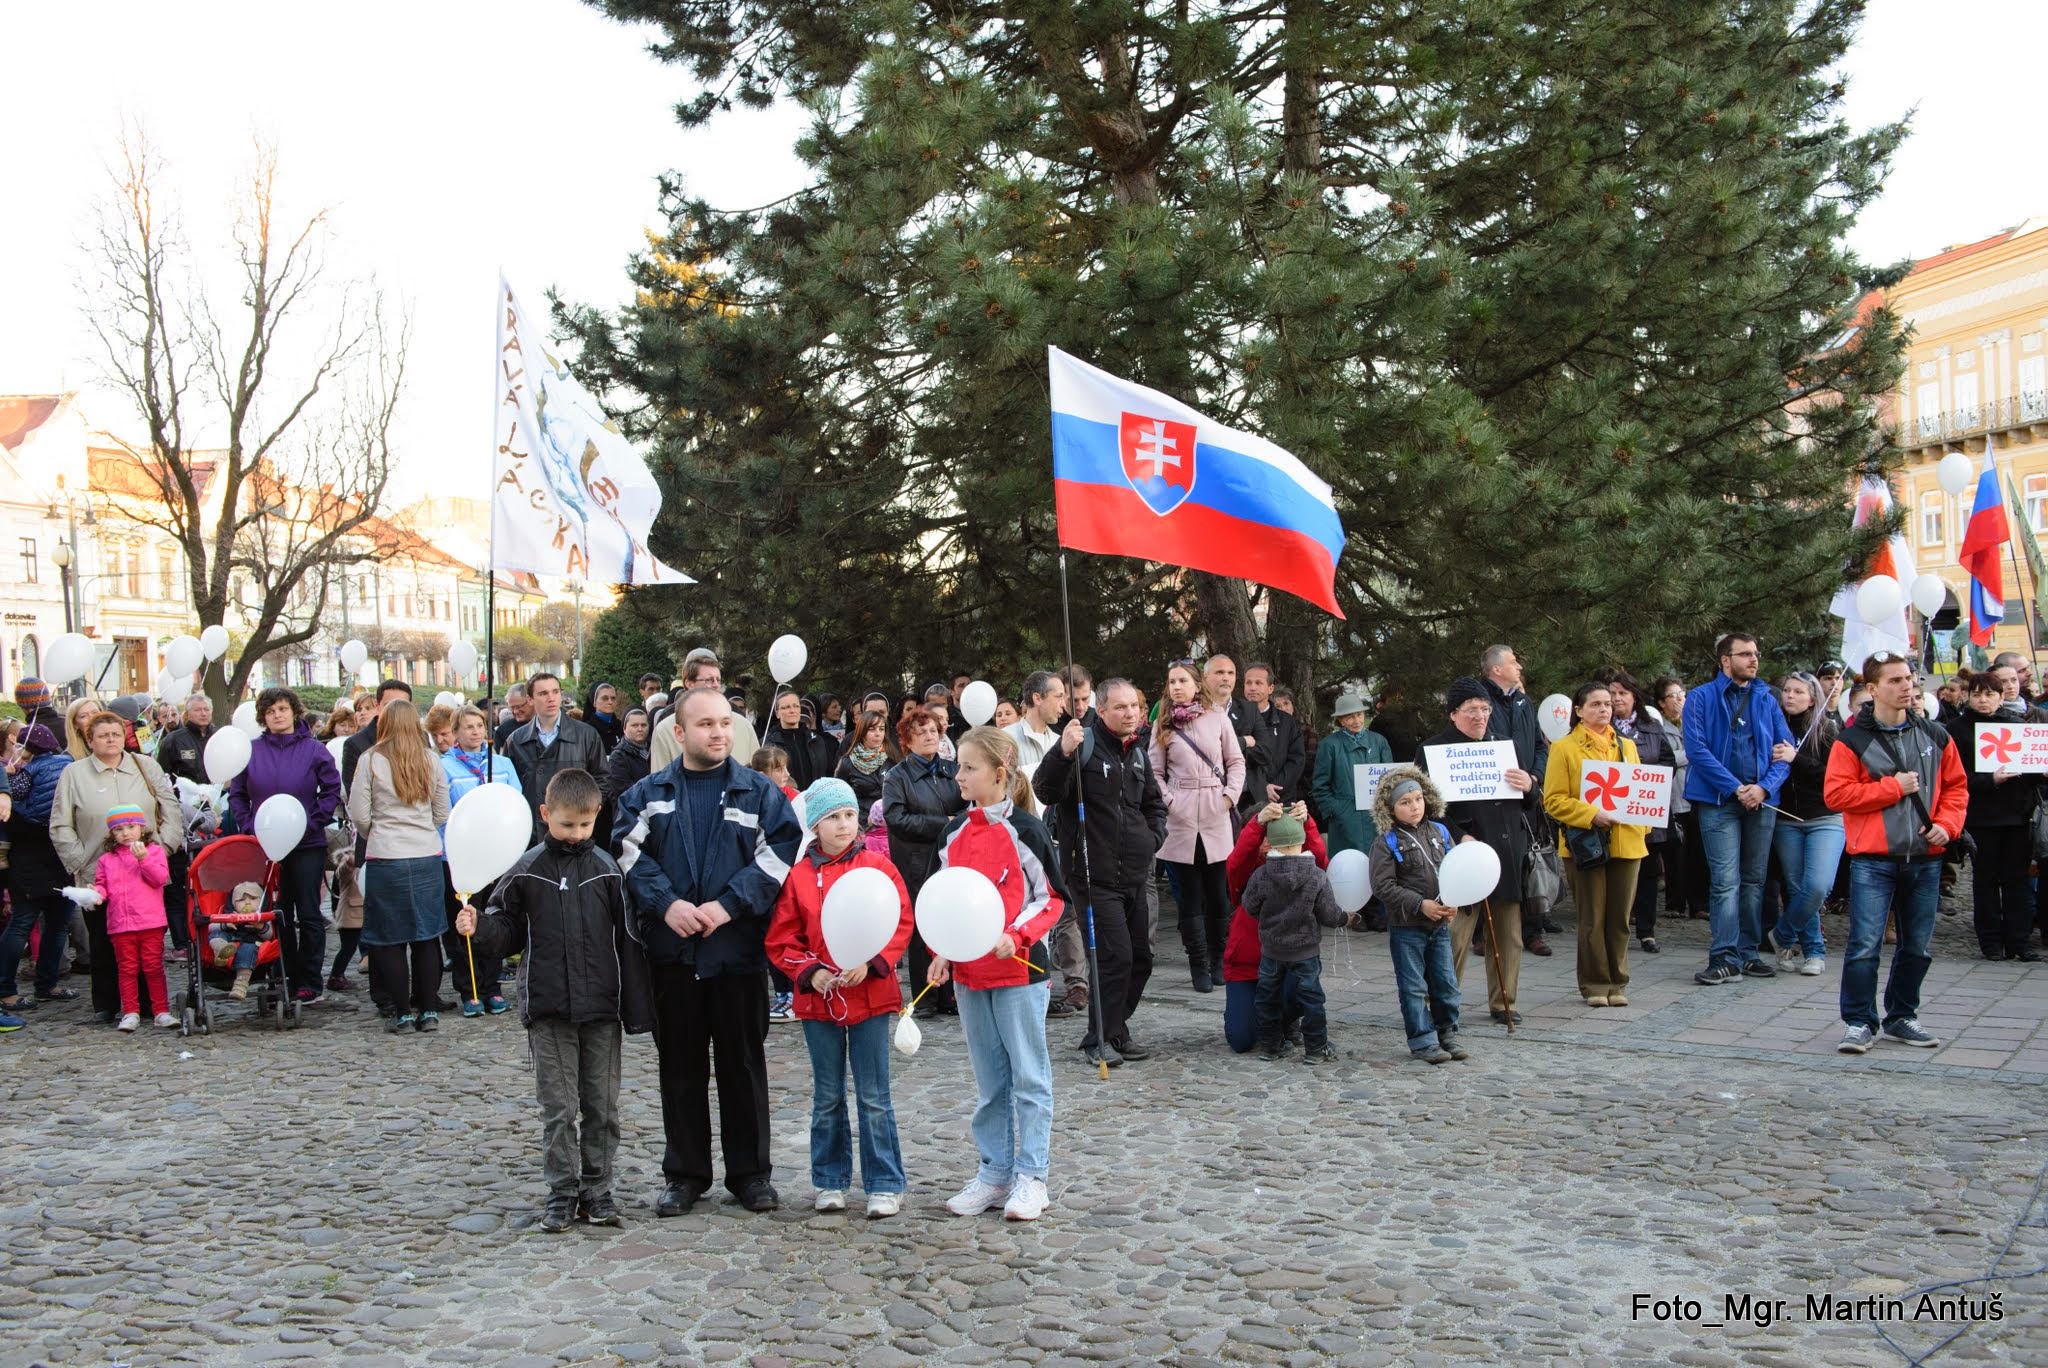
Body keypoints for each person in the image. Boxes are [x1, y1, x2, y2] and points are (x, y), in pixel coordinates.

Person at [617, 686, 802, 1217]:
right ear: (679, 733)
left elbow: (780, 854)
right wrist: (667, 904)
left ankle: (751, 1175)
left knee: (743, 1067)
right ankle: (685, 1175)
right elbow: (626, 852)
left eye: (724, 723)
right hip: (673, 957)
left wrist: (728, 906)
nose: (719, 732)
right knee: (680, 1070)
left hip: (737, 954)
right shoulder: (646, 793)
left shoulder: (759, 793)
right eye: (705, 724)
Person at [457, 767, 649, 1232]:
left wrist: (636, 1008)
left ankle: (598, 1188)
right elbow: (506, 930)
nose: (576, 834)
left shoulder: (607, 870)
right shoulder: (526, 870)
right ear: (545, 814)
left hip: (601, 1008)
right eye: (566, 825)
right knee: (558, 1108)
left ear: (596, 816)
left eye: (584, 824)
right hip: (548, 1006)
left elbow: (627, 941)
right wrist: (479, 926)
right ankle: (562, 1191)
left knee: (602, 1106)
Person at [926, 726, 1066, 1222]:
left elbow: (1052, 898)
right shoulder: (952, 834)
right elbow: (940, 901)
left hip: (1019, 974)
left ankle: (1032, 1177)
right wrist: (941, 951)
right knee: (990, 1085)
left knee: (1029, 1077)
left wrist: (1018, 935)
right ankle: (995, 1172)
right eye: (958, 767)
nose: (959, 776)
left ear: (999, 773)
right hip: (970, 977)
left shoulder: (1026, 830)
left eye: (969, 767)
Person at [765, 776, 915, 1218]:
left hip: (871, 995)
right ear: (815, 825)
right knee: (827, 1094)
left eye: (850, 814)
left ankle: (884, 1182)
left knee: (874, 1094)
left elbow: (901, 920)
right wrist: (809, 972)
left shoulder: (878, 868)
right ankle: (829, 1179)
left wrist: (873, 962)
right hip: (820, 1000)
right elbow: (782, 939)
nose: (844, 824)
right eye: (832, 817)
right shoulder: (798, 877)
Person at [1826, 651, 1969, 1053]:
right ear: (1872, 689)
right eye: (1895, 680)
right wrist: (1893, 788)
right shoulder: (1850, 741)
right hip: (1873, 859)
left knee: (1917, 947)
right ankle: (1859, 1022)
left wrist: (1947, 826)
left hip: (1925, 857)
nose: (1906, 686)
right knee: (1864, 946)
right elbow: (1836, 795)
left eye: (1909, 678)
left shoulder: (1936, 735)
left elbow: (1956, 788)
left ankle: (1902, 1016)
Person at [1032, 677, 1167, 1066]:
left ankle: (1115, 1029)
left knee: (1141, 957)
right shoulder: (1082, 745)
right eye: (1120, 707)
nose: (1130, 713)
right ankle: (1099, 1039)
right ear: (1101, 710)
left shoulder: (1137, 752)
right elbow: (1045, 791)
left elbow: (1154, 805)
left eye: (1134, 706)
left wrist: (1152, 839)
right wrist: (1062, 753)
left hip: (1134, 873)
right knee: (1115, 956)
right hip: (1093, 875)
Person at [50, 711, 184, 1023]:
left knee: (146, 941)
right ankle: (107, 1004)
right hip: (99, 873)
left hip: (144, 872)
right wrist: (80, 860)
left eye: (116, 734)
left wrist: (163, 848)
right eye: (103, 735)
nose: (111, 740)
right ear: (90, 740)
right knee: (103, 941)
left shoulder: (145, 765)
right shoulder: (74, 774)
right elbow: (60, 824)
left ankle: (150, 1005)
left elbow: (170, 808)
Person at [1683, 632, 1794, 987]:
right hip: (1719, 802)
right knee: (1725, 882)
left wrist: (1764, 788)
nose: (1754, 659)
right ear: (1725, 660)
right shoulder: (1700, 698)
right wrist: (1735, 787)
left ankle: (1748, 953)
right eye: (1745, 654)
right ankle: (1724, 957)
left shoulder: (1767, 699)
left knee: (1754, 881)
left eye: (1756, 653)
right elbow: (1697, 751)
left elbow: (1785, 751)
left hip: (1762, 801)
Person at [1424, 679, 1534, 1026]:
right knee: (1454, 935)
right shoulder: (1433, 750)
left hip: (1504, 852)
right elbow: (1426, 808)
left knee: (1509, 935)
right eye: (1471, 709)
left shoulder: (1504, 746)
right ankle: (1441, 1002)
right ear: (1453, 713)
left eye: (1485, 709)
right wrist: (1459, 835)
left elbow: (1528, 802)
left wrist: (1530, 787)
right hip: (1461, 856)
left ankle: (1504, 1001)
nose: (1480, 716)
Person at [227, 687, 344, 1004]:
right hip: (265, 844)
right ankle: (282, 972)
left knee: (307, 912)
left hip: (306, 843)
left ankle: (309, 980)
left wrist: (313, 821)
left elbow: (331, 789)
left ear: (293, 711)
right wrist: (249, 825)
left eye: (282, 709)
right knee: (277, 912)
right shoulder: (251, 751)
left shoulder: (314, 749)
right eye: (270, 711)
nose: (277, 715)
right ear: (263, 718)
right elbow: (237, 794)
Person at [348, 699, 453, 1033]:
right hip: (425, 854)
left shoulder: (371, 760)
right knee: (427, 936)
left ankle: (403, 1013)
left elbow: (359, 813)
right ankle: (429, 1010)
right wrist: (421, 829)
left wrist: (378, 832)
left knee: (389, 938)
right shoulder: (431, 759)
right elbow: (442, 811)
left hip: (386, 856)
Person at [1544, 682, 1650, 1009]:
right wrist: (1592, 815)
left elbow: (1640, 791)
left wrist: (1643, 823)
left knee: (1619, 918)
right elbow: (1553, 800)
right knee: (1592, 918)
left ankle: (1618, 981)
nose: (1604, 709)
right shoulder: (1564, 748)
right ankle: (1595, 983)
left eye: (1607, 704)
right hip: (1586, 844)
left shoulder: (1626, 746)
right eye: (1595, 704)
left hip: (1626, 841)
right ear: (1579, 711)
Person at [1152, 658, 1245, 991]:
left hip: (1215, 812)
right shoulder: (1162, 722)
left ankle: (1219, 960)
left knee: (1219, 893)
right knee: (1189, 896)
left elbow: (1236, 761)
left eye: (1182, 681)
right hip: (1180, 816)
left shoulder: (1217, 717)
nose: (1176, 687)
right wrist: (1170, 801)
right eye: (1172, 681)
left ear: (1196, 684)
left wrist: (1228, 797)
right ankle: (1198, 964)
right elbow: (1154, 772)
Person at [1366, 771, 1467, 1063]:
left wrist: (1455, 901)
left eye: (1418, 799)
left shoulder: (1440, 832)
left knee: (1446, 983)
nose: (1415, 806)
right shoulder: (1386, 842)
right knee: (1413, 987)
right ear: (1390, 808)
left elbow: (1456, 869)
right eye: (1405, 802)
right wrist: (1419, 904)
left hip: (1439, 925)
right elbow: (1383, 886)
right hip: (1407, 928)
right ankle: (1423, 1041)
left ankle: (1447, 1032)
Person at [1243, 811, 1351, 1064]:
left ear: (1273, 842)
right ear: (1301, 840)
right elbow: (1329, 914)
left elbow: (1249, 906)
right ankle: (1316, 1048)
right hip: (1306, 951)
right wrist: (1346, 918)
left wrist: (1268, 919)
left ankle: (1271, 1046)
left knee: (1267, 998)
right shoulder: (1316, 875)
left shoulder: (1261, 875)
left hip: (1271, 950)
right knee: (1312, 1000)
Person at [882, 704, 968, 1017]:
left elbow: (968, 803)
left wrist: (956, 822)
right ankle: (925, 997)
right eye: (921, 733)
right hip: (916, 861)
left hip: (952, 858)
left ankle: (949, 995)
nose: (930, 736)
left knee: (950, 922)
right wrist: (943, 823)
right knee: (922, 930)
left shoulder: (951, 769)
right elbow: (896, 818)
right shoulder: (897, 776)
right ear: (908, 740)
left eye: (933, 730)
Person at [1220, 802, 1325, 1052]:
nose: (1269, 841)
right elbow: (1236, 863)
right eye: (1264, 834)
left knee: (1303, 985)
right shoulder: (1246, 873)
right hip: (1247, 966)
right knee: (1241, 1040)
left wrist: (1307, 823)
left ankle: (1284, 1020)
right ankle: (1265, 1017)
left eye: (1275, 832)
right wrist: (1257, 825)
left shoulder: (1301, 869)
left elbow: (1320, 862)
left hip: (1287, 962)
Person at [1951, 671, 2041, 961]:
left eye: (1989, 694)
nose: (1983, 700)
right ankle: (1990, 942)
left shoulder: (2017, 726)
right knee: (1985, 881)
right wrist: (1989, 780)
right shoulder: (1956, 730)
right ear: (1968, 696)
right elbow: (1955, 777)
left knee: (2017, 881)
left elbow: (2031, 774)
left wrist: (2041, 771)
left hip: (2017, 817)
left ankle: (2019, 942)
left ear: (2002, 697)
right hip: (1980, 818)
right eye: (1977, 694)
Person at [440, 705, 524, 1015]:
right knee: (464, 922)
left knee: (491, 921)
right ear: (456, 732)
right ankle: (470, 988)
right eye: (468, 727)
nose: (476, 732)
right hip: (461, 857)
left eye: (479, 725)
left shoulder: (501, 764)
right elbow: (443, 813)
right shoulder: (445, 767)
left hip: (496, 856)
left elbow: (514, 802)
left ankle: (492, 986)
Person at [1478, 645, 1554, 955]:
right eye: (1513, 661)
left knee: (1529, 863)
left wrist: (1534, 777)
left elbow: (1539, 745)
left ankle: (1533, 931)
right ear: (1496, 669)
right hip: (1493, 799)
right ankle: (1486, 933)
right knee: (1492, 865)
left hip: (1526, 796)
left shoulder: (1524, 701)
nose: (1519, 666)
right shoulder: (1480, 700)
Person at [1773, 672, 1845, 977]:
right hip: (1786, 818)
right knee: (1797, 888)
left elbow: (1834, 775)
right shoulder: (1774, 726)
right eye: (1787, 690)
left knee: (1817, 886)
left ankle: (1782, 934)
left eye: (1798, 691)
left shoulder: (1827, 729)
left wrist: (1796, 758)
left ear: (1813, 698)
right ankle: (1814, 951)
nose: (1790, 696)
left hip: (1825, 817)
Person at [1, 725, 76, 1016]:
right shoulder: (67, 765)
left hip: (31, 856)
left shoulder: (20, 776)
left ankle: (10, 989)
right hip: (57, 854)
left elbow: (12, 817)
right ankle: (43, 984)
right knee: (54, 924)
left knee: (26, 922)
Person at [1598, 668, 1673, 955]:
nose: (1617, 699)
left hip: (1644, 809)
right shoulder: (1601, 727)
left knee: (1648, 871)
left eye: (1622, 693)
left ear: (1634, 697)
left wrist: (1649, 780)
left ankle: (1646, 930)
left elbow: (1667, 760)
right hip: (1611, 808)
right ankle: (1613, 927)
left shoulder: (1652, 726)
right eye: (1612, 693)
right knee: (1613, 870)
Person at [1308, 691, 1393, 925]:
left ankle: (1379, 914)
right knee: (1351, 865)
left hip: (1376, 815)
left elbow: (1391, 778)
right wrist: (1338, 811)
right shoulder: (1330, 745)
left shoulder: (1378, 741)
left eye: (1359, 715)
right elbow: (1320, 786)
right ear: (1340, 720)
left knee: (1379, 861)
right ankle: (1354, 915)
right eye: (1349, 717)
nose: (1355, 720)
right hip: (1347, 816)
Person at [93, 805, 177, 1032]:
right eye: (119, 829)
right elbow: (102, 885)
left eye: (130, 827)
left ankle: (161, 1010)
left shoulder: (154, 851)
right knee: (127, 969)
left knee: (153, 967)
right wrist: (96, 894)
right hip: (121, 924)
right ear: (112, 833)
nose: (126, 833)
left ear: (141, 828)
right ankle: (130, 1011)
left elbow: (160, 878)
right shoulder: (106, 859)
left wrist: (143, 859)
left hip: (150, 922)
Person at [504, 674, 607, 844]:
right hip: (531, 834)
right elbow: (508, 789)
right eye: (543, 693)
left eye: (555, 691)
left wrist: (585, 813)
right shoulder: (516, 740)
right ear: (530, 699)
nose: (551, 698)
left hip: (575, 833)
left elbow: (603, 778)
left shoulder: (587, 735)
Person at [1649, 676, 1707, 922]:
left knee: (1699, 853)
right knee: (1675, 854)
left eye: (1682, 694)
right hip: (1673, 796)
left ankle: (1699, 904)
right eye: (1673, 696)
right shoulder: (1657, 726)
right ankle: (1675, 903)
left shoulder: (1695, 721)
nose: (1680, 699)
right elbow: (1665, 757)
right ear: (1661, 703)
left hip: (1698, 795)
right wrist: (1692, 754)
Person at [648, 655, 761, 773]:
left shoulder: (744, 725)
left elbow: (758, 773)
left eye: (718, 680)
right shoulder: (664, 730)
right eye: (709, 680)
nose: (716, 685)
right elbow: (660, 779)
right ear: (689, 684)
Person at [1239, 664, 1305, 813]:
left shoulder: (1287, 722)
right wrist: (1261, 787)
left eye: (1258, 683)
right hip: (1245, 803)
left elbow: (1296, 760)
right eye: (1248, 683)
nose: (1252, 688)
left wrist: (1274, 787)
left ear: (1270, 688)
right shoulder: (1233, 719)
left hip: (1281, 800)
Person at [343, 680, 415, 796]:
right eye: (388, 705)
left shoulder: (420, 738)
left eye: (402, 706)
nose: (395, 711)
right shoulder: (355, 744)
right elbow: (355, 796)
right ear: (378, 706)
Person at [762, 688, 835, 791]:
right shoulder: (769, 744)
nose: (792, 710)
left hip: (814, 797)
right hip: (784, 798)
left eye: (796, 706)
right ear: (777, 713)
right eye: (786, 707)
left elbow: (826, 773)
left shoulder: (816, 740)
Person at [601, 708, 653, 839]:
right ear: (624, 728)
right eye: (635, 725)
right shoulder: (618, 756)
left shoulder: (653, 749)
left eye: (643, 725)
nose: (640, 729)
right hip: (629, 818)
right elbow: (622, 791)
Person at [1005, 671, 1067, 778]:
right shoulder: (1005, 738)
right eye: (1058, 697)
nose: (1063, 704)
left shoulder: (1059, 742)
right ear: (1037, 698)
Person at [834, 710, 893, 820]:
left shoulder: (892, 758)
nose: (878, 733)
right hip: (860, 823)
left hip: (888, 822)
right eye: (872, 729)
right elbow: (837, 798)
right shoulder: (846, 763)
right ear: (862, 731)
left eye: (881, 729)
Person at [581, 682, 624, 754]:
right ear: (594, 703)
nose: (610, 702)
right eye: (605, 698)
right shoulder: (585, 729)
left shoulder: (622, 727)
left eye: (613, 698)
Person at [494, 685, 532, 752]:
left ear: (530, 700)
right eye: (512, 708)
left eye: (519, 706)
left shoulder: (546, 723)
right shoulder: (503, 730)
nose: (515, 711)